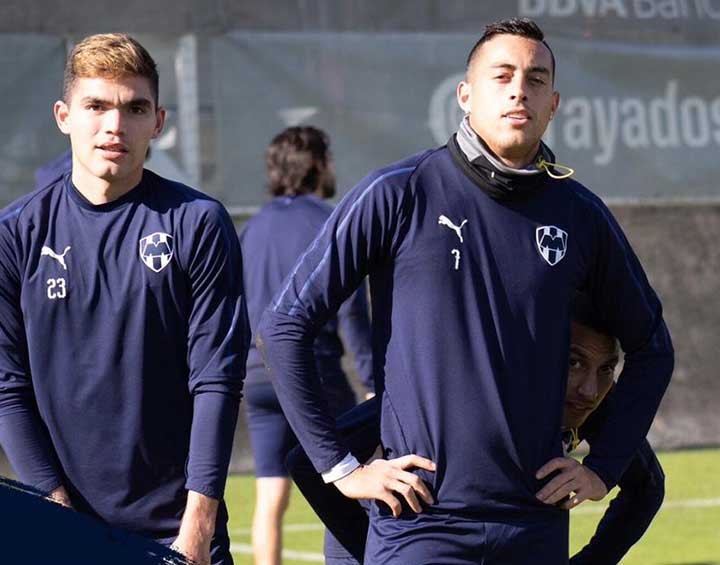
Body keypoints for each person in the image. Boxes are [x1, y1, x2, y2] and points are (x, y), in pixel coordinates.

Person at [257, 17, 673, 564]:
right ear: (465, 94)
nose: (519, 90)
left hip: (534, 529)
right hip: (420, 527)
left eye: (536, 79)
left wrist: (602, 468)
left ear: (553, 105)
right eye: (502, 76)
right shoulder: (398, 192)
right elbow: (284, 325)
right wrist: (343, 468)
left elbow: (653, 348)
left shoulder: (581, 215)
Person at [0, 34, 248, 564]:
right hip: (61, 524)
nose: (115, 125)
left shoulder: (198, 223)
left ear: (157, 122)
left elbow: (217, 379)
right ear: (63, 116)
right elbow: (7, 386)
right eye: (96, 106)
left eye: (134, 108)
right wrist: (53, 512)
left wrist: (198, 526)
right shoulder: (16, 234)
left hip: (176, 534)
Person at [285, 294, 666, 564]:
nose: (590, 391)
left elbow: (646, 487)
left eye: (606, 369)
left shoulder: (595, 404)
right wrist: (377, 547)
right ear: (540, 354)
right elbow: (307, 463)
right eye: (573, 363)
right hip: (372, 542)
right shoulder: (468, 388)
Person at [241, 125, 373, 565]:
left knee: (269, 498)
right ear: (318, 164)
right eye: (329, 159)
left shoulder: (252, 227)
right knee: (349, 482)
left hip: (258, 376)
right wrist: (373, 380)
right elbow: (353, 310)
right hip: (312, 373)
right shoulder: (329, 219)